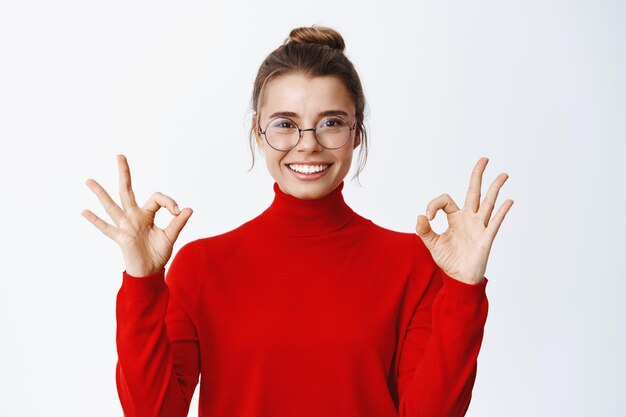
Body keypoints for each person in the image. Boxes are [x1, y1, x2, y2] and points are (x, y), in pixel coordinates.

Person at [81, 25, 513, 417]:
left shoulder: (411, 264)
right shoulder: (200, 267)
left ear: (357, 133)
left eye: (331, 123)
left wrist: (462, 288)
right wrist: (141, 281)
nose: (307, 145)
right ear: (258, 131)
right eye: (285, 124)